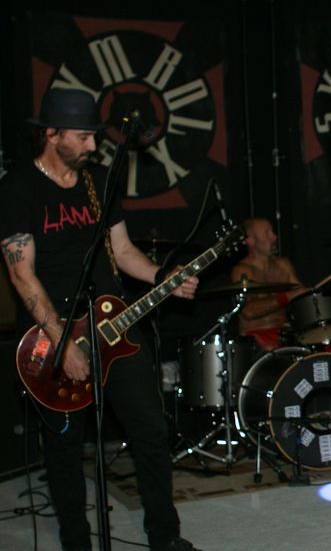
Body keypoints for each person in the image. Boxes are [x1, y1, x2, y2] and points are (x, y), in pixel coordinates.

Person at [0, 89, 200, 551]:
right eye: (83, 137)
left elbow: (123, 251)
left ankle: (165, 537)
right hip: (52, 334)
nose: (93, 146)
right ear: (52, 134)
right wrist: (63, 343)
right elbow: (22, 275)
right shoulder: (17, 189)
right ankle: (77, 542)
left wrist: (162, 277)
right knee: (65, 447)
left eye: (94, 136)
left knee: (151, 430)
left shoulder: (99, 181)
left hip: (113, 322)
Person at [230, 217, 308, 351]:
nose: (274, 237)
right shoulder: (242, 271)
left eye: (273, 232)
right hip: (256, 341)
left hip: (285, 335)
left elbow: (302, 299)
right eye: (266, 233)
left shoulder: (283, 264)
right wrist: (286, 297)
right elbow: (248, 311)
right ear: (250, 240)